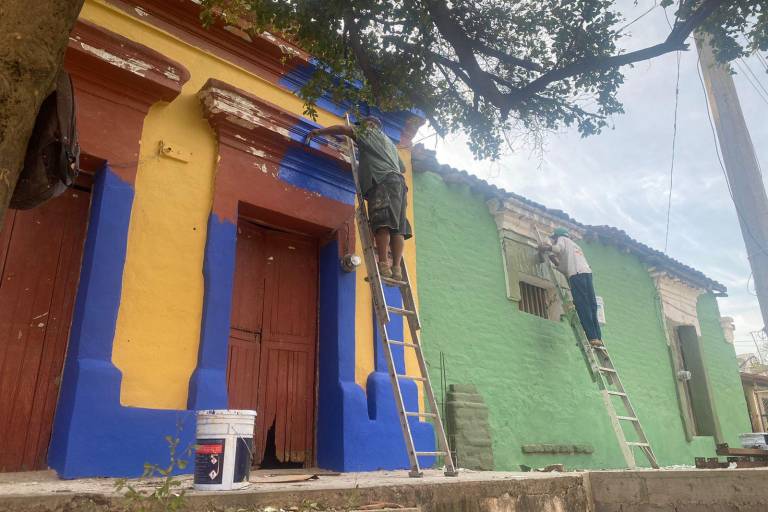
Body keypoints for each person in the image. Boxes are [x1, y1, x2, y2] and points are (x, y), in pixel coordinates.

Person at [305, 116, 411, 281]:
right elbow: (403, 168)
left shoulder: (366, 132)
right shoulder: (389, 142)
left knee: (382, 222)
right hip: (399, 184)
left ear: (368, 124)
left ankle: (383, 265)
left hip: (382, 181)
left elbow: (343, 130)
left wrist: (319, 131)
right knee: (398, 228)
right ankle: (396, 269)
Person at [539, 227, 603, 347]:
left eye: (554, 239)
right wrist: (553, 259)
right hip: (587, 274)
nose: (554, 241)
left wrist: (546, 248)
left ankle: (591, 337)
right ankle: (597, 337)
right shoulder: (576, 246)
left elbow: (558, 248)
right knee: (591, 305)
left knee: (582, 305)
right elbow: (563, 265)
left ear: (557, 236)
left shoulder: (562, 239)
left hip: (577, 275)